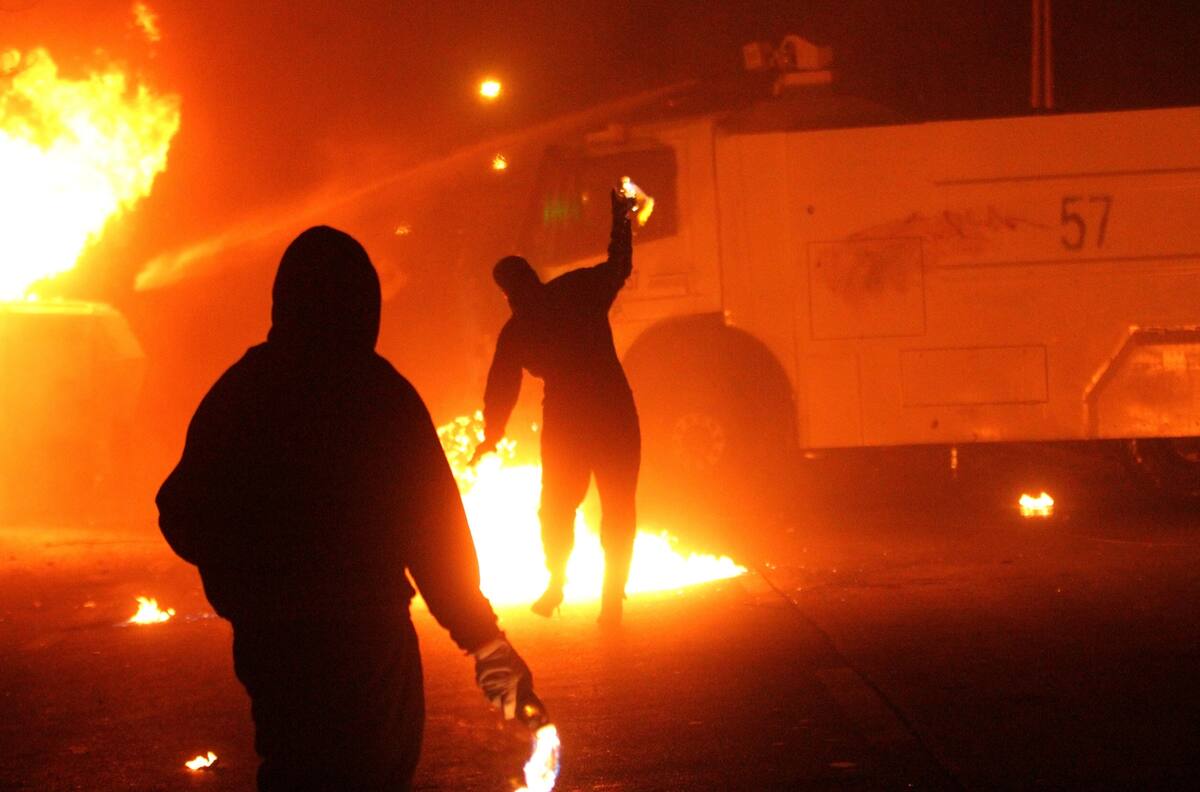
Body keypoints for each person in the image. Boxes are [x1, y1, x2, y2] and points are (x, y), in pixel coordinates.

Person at [157, 226, 541, 791]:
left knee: (293, 772)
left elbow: (180, 510)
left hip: (275, 647)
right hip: (368, 647)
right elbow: (437, 543)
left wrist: (247, 585)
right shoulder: (379, 395)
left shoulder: (241, 391)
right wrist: (491, 655)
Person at [470, 189, 640, 626]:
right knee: (616, 504)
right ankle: (609, 596)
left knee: (559, 507)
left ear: (505, 293)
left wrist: (491, 437)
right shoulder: (578, 291)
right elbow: (619, 266)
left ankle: (562, 582)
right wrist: (621, 218)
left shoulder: (518, 329)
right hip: (612, 410)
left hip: (568, 420)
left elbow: (501, 389)